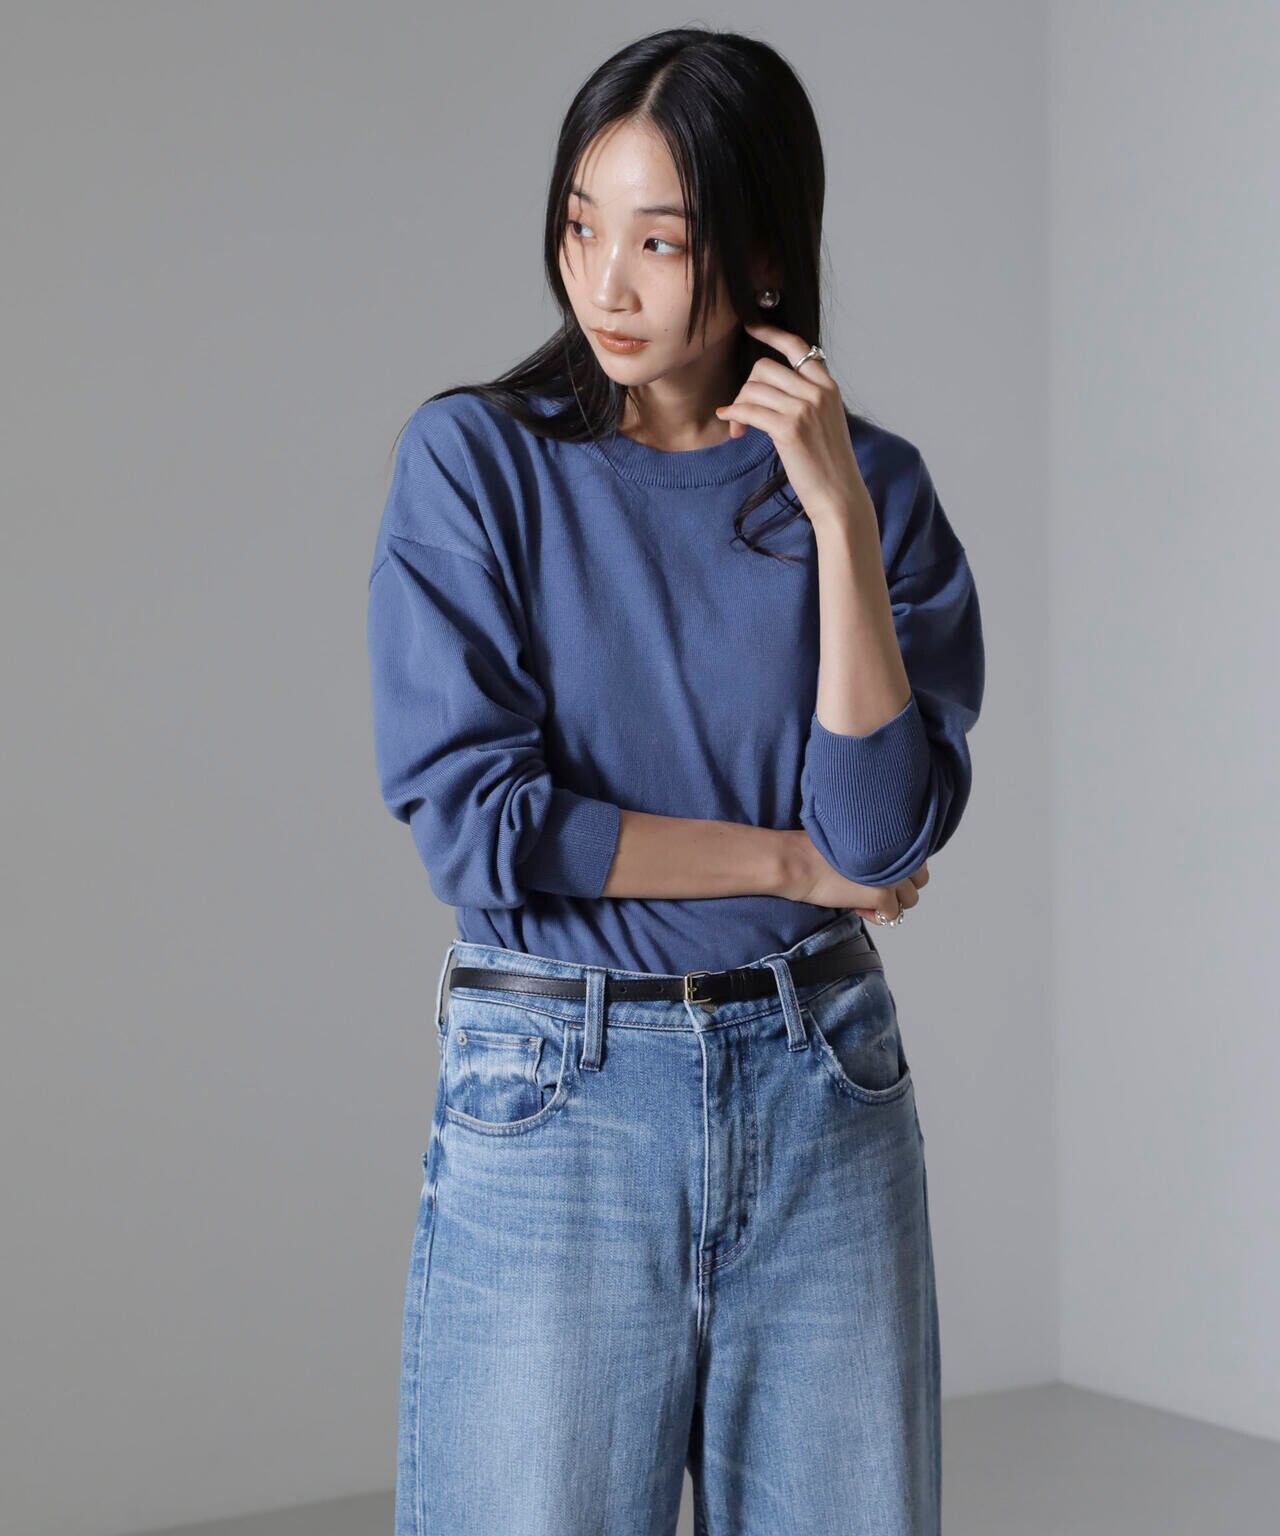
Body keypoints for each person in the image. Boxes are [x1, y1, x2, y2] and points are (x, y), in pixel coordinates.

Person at [367, 26, 984, 1536]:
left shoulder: (876, 491)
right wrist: (780, 865)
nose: (606, 283)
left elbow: (877, 833)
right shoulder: (476, 463)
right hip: (558, 1094)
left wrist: (837, 518)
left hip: (820, 1077)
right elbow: (481, 826)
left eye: (660, 240)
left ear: (763, 255)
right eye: (583, 226)